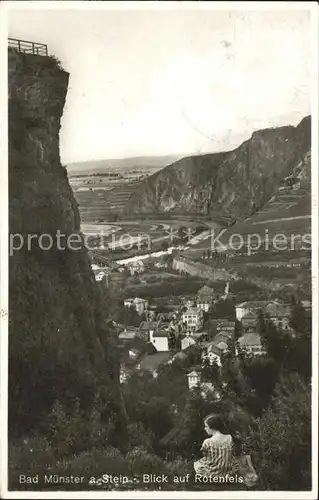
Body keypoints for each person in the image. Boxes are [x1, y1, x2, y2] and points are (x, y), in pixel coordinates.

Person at [194, 413, 238, 479]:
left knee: (197, 464)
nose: (205, 429)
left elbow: (204, 454)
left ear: (212, 428)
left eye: (206, 426)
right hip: (227, 471)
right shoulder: (229, 437)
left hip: (212, 472)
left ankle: (215, 472)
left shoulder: (207, 441)